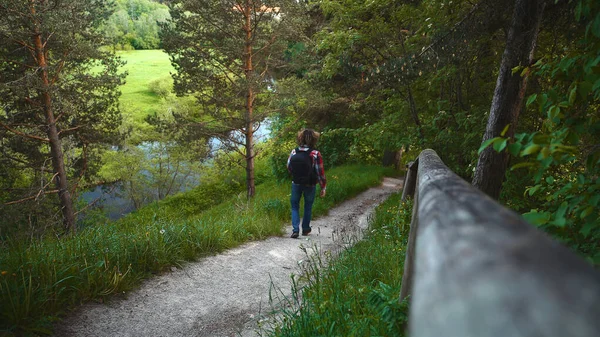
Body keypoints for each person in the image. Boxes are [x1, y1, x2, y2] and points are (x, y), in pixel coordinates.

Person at [287, 128, 327, 238]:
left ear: (301, 138)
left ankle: (295, 230)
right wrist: (323, 187)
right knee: (308, 206)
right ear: (314, 139)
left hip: (296, 183)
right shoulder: (315, 154)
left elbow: (289, 167)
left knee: (295, 206)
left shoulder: (294, 151)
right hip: (310, 184)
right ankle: (305, 229)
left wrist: (296, 175)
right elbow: (320, 172)